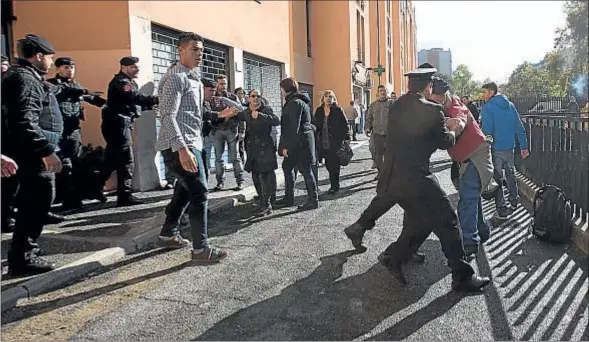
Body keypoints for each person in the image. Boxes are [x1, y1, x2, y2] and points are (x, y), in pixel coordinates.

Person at [344, 63, 491, 292]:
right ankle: (462, 276)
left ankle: (394, 255)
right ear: (428, 87)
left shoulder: (396, 105)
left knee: (421, 220)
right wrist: (455, 127)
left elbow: (413, 137)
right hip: (417, 178)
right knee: (448, 221)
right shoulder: (432, 110)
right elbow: (445, 142)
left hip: (393, 174)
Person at [156, 32, 235, 261]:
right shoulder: (175, 78)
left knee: (184, 191)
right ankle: (201, 249)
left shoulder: (194, 78)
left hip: (194, 142)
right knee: (199, 192)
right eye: (194, 49)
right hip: (179, 145)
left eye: (201, 50)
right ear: (181, 51)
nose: (200, 54)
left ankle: (167, 234)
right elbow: (168, 116)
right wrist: (182, 150)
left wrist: (220, 115)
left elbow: (195, 114)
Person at [2, 34, 63, 275]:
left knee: (32, 202)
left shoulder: (25, 77)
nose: (51, 62)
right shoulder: (23, 79)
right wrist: (45, 151)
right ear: (38, 56)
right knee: (37, 201)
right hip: (31, 154)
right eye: (50, 57)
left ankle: (23, 253)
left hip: (27, 152)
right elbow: (24, 121)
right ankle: (24, 256)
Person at [431, 77, 496, 260]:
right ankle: (482, 231)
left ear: (443, 96)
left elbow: (460, 120)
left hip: (475, 157)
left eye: (433, 98)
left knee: (467, 202)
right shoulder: (445, 106)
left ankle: (469, 246)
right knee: (472, 198)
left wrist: (451, 127)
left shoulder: (456, 107)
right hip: (470, 158)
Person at [47, 57, 106, 209]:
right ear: (58, 69)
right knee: (63, 166)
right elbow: (65, 92)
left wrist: (105, 103)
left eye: (72, 67)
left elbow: (88, 97)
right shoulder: (52, 85)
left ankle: (74, 198)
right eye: (66, 67)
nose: (69, 70)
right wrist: (82, 92)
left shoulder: (75, 85)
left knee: (76, 165)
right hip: (59, 132)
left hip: (74, 131)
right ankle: (63, 199)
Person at [100, 56, 158, 206]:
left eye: (137, 66)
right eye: (133, 67)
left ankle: (92, 186)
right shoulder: (122, 83)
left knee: (112, 160)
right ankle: (124, 196)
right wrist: (155, 100)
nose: (137, 69)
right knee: (126, 161)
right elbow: (134, 98)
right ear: (124, 68)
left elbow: (132, 104)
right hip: (118, 124)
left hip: (120, 124)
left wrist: (150, 106)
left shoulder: (127, 82)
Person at [481, 82, 529, 218]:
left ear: (491, 92)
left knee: (497, 178)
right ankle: (514, 200)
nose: (482, 95)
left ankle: (501, 208)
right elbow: (519, 127)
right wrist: (524, 146)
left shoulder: (488, 107)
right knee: (511, 175)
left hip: (495, 148)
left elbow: (487, 132)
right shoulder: (511, 106)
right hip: (510, 147)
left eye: (484, 92)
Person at [231, 89, 280, 216]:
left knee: (265, 176)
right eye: (253, 96)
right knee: (255, 177)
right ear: (248, 98)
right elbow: (236, 116)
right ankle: (263, 202)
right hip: (252, 149)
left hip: (265, 148)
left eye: (258, 96)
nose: (256, 98)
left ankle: (266, 204)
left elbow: (276, 120)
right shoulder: (246, 111)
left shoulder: (266, 109)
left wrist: (260, 116)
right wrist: (229, 114)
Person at [276, 77, 318, 210]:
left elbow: (294, 127)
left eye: (281, 89)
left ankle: (313, 200)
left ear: (285, 89)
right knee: (288, 167)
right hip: (302, 140)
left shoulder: (295, 103)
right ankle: (289, 197)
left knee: (305, 170)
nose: (281, 92)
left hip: (299, 143)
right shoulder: (298, 101)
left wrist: (287, 147)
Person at [210, 74, 245, 191]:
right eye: (221, 83)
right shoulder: (212, 98)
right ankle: (220, 182)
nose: (223, 86)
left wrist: (242, 131)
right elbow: (209, 114)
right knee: (218, 158)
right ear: (216, 84)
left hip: (232, 130)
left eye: (225, 83)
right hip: (217, 130)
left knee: (235, 157)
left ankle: (240, 181)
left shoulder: (233, 97)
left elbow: (241, 114)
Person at [313, 90, 350, 194]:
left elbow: (345, 125)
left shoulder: (338, 110)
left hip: (335, 142)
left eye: (331, 96)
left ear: (334, 99)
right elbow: (315, 123)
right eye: (326, 96)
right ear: (323, 99)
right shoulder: (319, 110)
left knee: (334, 165)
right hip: (322, 142)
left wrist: (347, 138)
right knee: (328, 165)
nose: (328, 98)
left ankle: (335, 185)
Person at [366, 85, 393, 178]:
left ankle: (388, 173)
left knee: (389, 155)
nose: (382, 92)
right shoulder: (373, 105)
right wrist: (367, 128)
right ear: (377, 93)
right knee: (377, 155)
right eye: (380, 91)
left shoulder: (392, 104)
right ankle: (381, 172)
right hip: (377, 133)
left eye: (384, 90)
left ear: (387, 92)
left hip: (389, 134)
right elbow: (369, 118)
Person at [235, 87, 248, 162]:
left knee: (244, 147)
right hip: (236, 128)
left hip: (246, 128)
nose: (240, 95)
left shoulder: (245, 104)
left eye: (242, 93)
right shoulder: (234, 104)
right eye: (238, 93)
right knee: (239, 147)